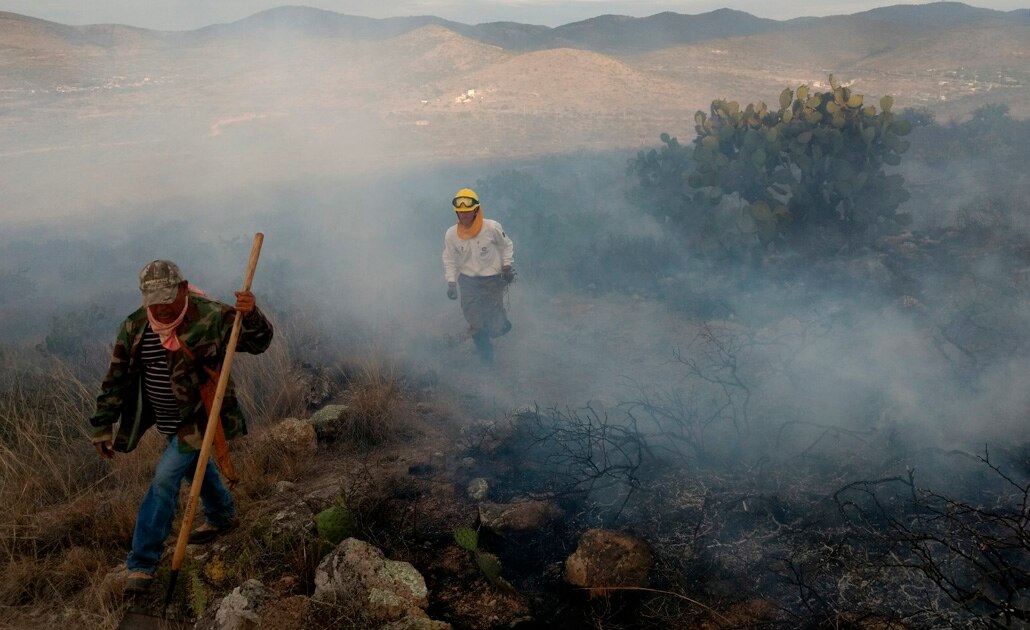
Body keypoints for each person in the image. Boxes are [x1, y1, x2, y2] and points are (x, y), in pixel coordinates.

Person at [89, 260, 273, 596]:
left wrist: (252, 315)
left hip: (201, 417)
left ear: (184, 288)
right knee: (194, 467)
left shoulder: (213, 316)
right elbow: (115, 378)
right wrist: (102, 424)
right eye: (153, 300)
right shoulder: (135, 326)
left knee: (165, 478)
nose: (160, 307)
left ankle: (142, 563)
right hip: (166, 419)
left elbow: (259, 343)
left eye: (167, 298)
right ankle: (221, 514)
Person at [442, 187, 515, 364]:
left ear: (476, 210)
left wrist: (506, 266)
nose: (464, 215)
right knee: (476, 322)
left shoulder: (492, 227)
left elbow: (506, 245)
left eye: (468, 211)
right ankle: (486, 359)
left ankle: (501, 324)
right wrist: (451, 282)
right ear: (457, 213)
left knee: (495, 325)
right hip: (468, 282)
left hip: (492, 281)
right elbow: (449, 259)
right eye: (461, 212)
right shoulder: (451, 234)